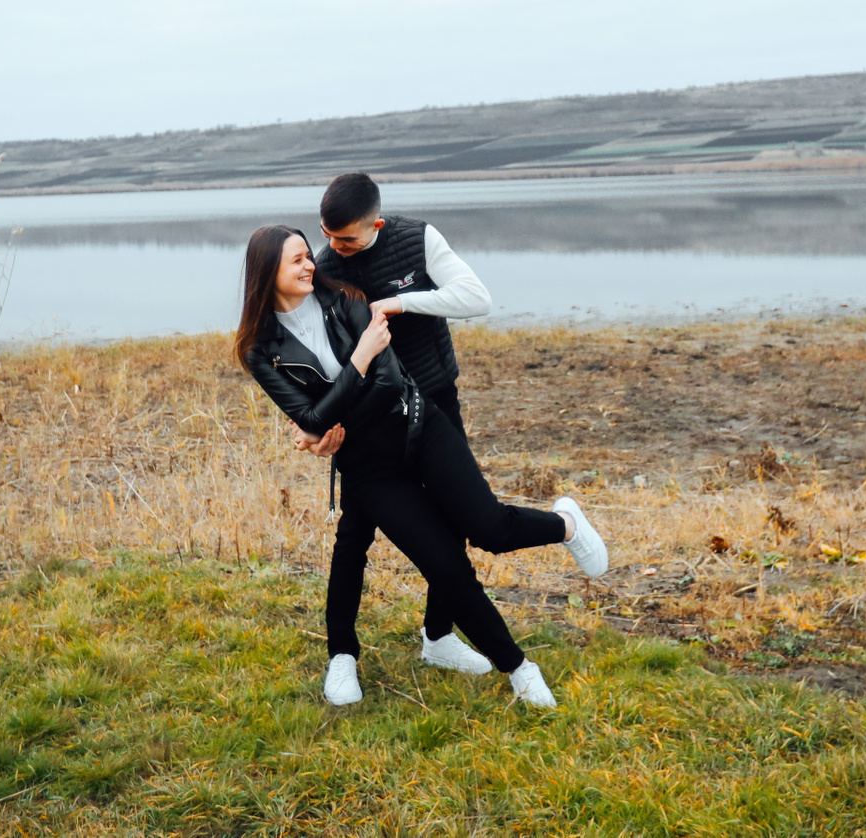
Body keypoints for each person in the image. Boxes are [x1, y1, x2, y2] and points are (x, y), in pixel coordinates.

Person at [237, 224, 606, 709]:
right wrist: (356, 365)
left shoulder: (347, 299)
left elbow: (387, 383)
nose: (311, 265)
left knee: (490, 529)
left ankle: (566, 523)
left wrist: (330, 417)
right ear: (268, 272)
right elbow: (308, 418)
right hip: (370, 468)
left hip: (419, 426)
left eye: (309, 255)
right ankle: (519, 668)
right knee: (446, 567)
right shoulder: (259, 349)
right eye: (297, 260)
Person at [295, 172, 514, 681]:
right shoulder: (326, 269)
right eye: (327, 235)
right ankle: (341, 655)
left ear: (376, 224)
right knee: (354, 534)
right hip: (369, 419)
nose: (334, 248)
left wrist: (403, 301)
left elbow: (476, 298)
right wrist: (316, 424)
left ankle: (439, 637)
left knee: (455, 519)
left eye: (346, 238)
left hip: (435, 400)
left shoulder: (417, 238)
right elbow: (320, 357)